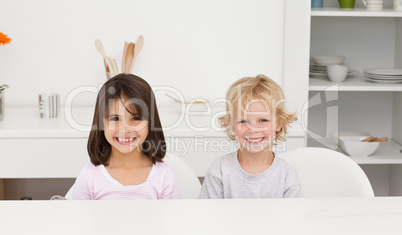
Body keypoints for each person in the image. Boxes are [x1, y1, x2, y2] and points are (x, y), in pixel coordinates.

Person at [73, 74, 180, 200]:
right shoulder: (89, 177)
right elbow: (81, 219)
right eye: (115, 118)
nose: (125, 129)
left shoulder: (164, 176)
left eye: (135, 118)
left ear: (151, 122)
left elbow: (170, 219)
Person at [199, 74, 302, 199]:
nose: (253, 129)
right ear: (232, 125)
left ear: (279, 123)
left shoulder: (287, 176)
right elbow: (208, 215)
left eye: (263, 120)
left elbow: (291, 217)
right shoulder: (219, 171)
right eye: (243, 121)